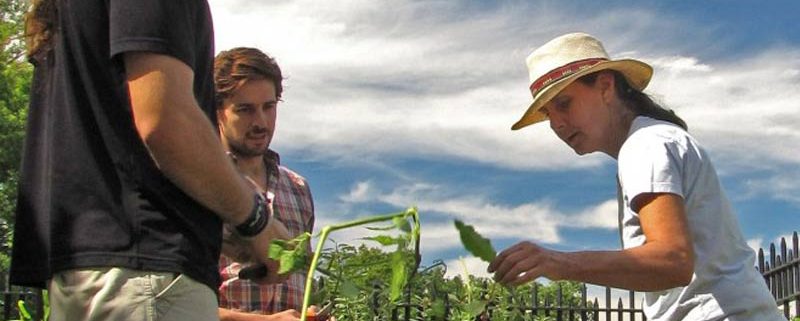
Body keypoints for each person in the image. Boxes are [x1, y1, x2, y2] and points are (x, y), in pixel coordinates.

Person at [11, 1, 292, 320]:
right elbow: (166, 122)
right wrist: (256, 221)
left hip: (102, 277)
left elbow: (112, 145)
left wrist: (224, 234)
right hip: (145, 284)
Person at [488, 32, 783, 321]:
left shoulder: (645, 145)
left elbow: (673, 261)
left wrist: (557, 262)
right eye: (547, 113)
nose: (556, 124)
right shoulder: (655, 140)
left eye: (564, 104)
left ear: (605, 86)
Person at [213, 47, 315, 319]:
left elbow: (301, 282)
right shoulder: (201, 182)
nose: (260, 122)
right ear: (218, 112)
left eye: (268, 107)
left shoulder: (298, 188)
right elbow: (178, 301)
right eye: (245, 109)